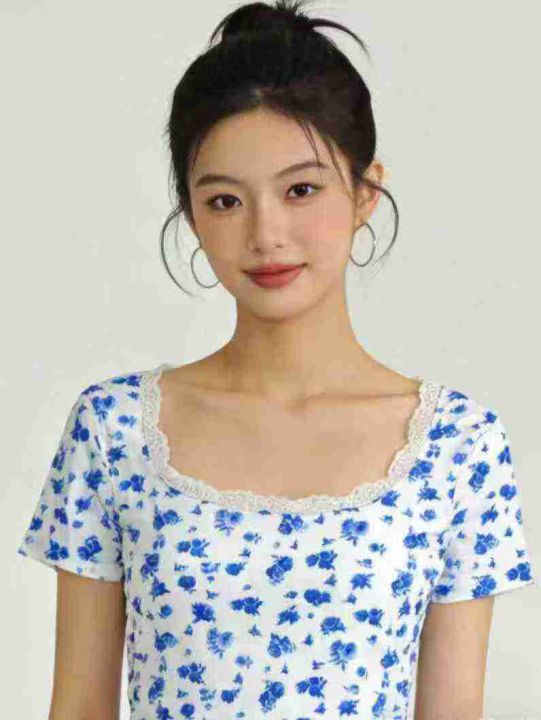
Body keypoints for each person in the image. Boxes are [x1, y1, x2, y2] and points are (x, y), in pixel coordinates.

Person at [17, 1, 536, 718]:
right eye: (225, 201)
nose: (266, 234)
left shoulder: (458, 446)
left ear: (365, 192)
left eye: (300, 190)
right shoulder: (114, 431)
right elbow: (78, 707)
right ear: (191, 216)